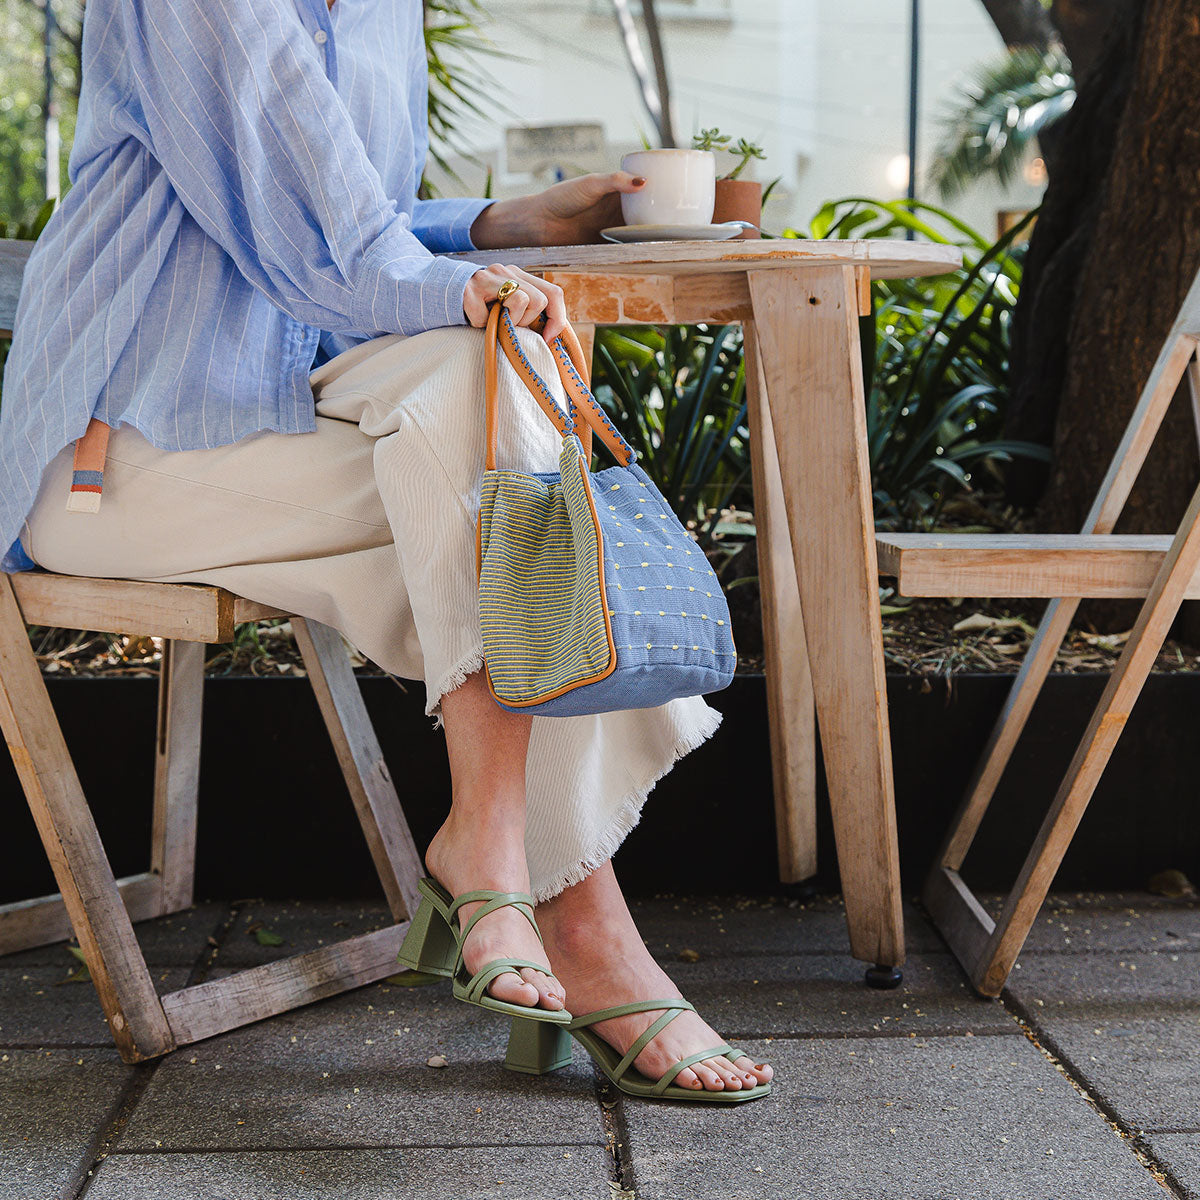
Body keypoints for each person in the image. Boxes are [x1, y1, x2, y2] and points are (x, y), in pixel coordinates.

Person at [0, 0, 774, 1100]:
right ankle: (577, 920)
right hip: (118, 448)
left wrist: (497, 224)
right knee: (481, 483)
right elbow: (306, 222)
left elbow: (354, 207)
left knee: (474, 446)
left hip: (280, 419)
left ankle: (494, 856)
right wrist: (464, 285)